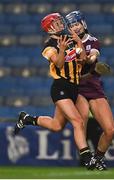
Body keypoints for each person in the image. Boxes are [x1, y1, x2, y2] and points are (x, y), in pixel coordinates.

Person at [13, 13, 97, 170]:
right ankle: (87, 157)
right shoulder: (49, 45)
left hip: (74, 87)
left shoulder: (70, 38)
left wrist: (79, 42)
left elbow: (83, 59)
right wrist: (63, 49)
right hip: (61, 87)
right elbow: (58, 64)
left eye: (60, 21)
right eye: (57, 22)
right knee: (78, 121)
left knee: (57, 126)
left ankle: (27, 119)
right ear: (49, 28)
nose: (61, 24)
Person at [65, 11, 114, 170]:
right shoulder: (66, 44)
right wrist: (93, 69)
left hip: (94, 87)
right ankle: (86, 157)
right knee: (82, 122)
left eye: (77, 23)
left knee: (110, 129)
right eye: (72, 25)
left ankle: (98, 158)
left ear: (83, 24)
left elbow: (93, 56)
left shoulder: (92, 41)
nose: (75, 27)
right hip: (77, 88)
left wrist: (90, 62)